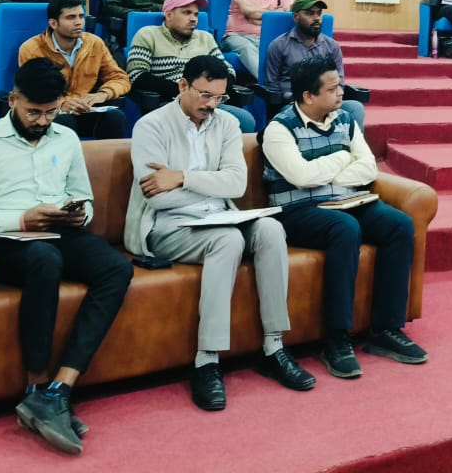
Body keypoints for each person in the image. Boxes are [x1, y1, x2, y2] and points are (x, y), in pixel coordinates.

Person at [0, 58, 133, 455]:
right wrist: (21, 218)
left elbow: (82, 195)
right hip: (4, 237)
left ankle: (58, 390)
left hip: (58, 228)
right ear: (13, 99)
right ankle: (35, 384)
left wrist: (81, 212)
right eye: (34, 111)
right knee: (44, 259)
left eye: (51, 112)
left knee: (116, 268)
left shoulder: (65, 138)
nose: (42, 120)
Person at [126, 54, 315, 409]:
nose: (212, 105)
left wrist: (182, 177)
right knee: (227, 240)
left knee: (271, 230)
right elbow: (159, 198)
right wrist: (211, 185)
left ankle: (274, 346)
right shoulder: (151, 126)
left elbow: (237, 184)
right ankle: (207, 360)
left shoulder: (227, 123)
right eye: (205, 95)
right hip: (168, 225)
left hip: (221, 216)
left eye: (219, 97)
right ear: (183, 85)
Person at [261, 56, 427, 379]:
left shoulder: (345, 120)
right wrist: (341, 157)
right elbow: (301, 177)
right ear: (308, 96)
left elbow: (368, 168)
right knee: (345, 228)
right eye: (332, 88)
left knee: (398, 224)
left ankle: (385, 329)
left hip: (348, 201)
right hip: (298, 212)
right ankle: (336, 338)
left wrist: (325, 176)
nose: (341, 93)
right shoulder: (279, 129)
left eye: (340, 86)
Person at [125, 0, 254, 132]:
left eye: (196, 14)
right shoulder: (148, 35)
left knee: (245, 120)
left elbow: (228, 71)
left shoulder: (205, 38)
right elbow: (136, 75)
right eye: (186, 13)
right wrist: (187, 93)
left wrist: (208, 94)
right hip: (170, 102)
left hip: (208, 101)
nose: (193, 19)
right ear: (169, 15)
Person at [18, 0, 130, 140]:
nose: (79, 22)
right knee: (64, 121)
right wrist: (62, 103)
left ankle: (106, 155)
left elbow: (120, 78)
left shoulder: (94, 43)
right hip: (49, 111)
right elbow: (32, 89)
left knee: (115, 118)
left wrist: (103, 94)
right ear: (53, 23)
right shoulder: (31, 48)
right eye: (71, 17)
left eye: (81, 16)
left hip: (85, 108)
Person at [264, 0, 365, 126]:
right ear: (296, 17)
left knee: (355, 108)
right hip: (294, 105)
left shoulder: (332, 46)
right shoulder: (279, 45)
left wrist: (327, 100)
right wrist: (294, 98)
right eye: (310, 13)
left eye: (319, 13)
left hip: (326, 102)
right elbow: (272, 84)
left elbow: (339, 80)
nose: (316, 18)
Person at [225, 0, 294, 78]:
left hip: (269, 37)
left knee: (291, 48)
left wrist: (257, 16)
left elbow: (286, 16)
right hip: (238, 36)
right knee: (247, 48)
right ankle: (268, 83)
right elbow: (248, 10)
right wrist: (274, 14)